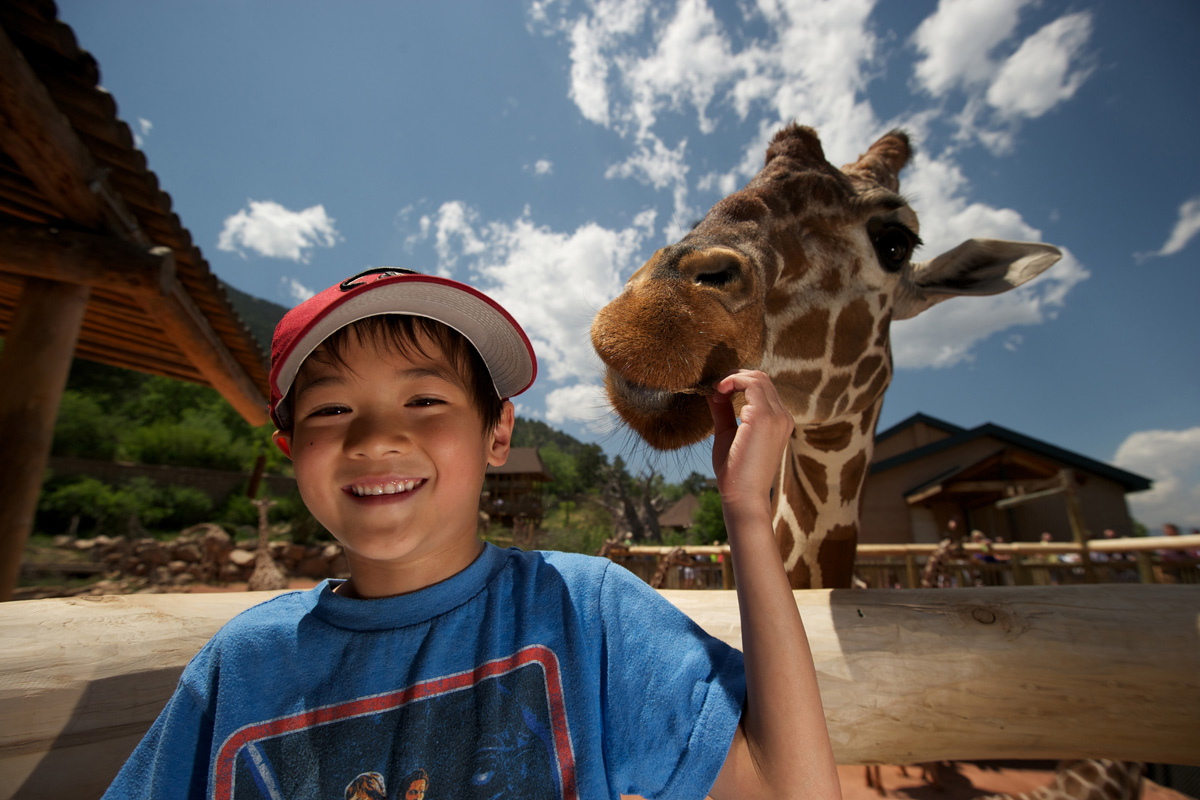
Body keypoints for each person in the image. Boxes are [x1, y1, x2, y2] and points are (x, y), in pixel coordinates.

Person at [101, 268, 840, 800]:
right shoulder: (242, 666)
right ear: (292, 448)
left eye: (424, 398)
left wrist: (746, 510)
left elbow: (788, 789)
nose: (379, 436)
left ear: (498, 433)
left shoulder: (589, 616)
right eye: (330, 410)